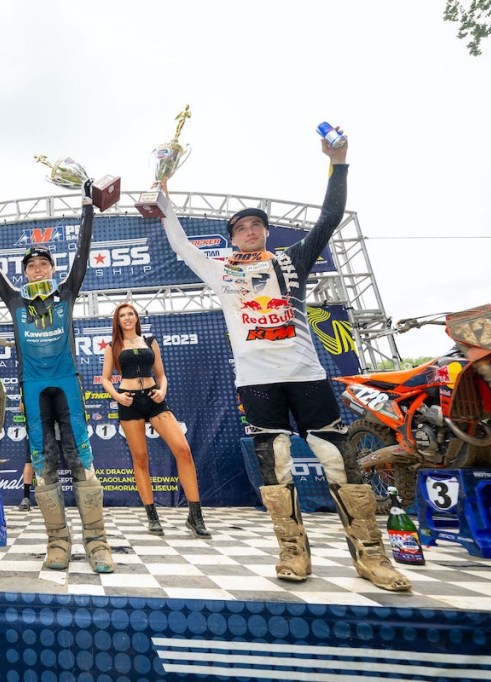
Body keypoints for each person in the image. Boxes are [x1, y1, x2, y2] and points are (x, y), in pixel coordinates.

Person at [157, 130, 410, 592]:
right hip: (256, 382)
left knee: (338, 460)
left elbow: (329, 219)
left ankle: (371, 556)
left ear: (266, 232)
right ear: (232, 238)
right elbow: (181, 246)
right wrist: (164, 196)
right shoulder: (221, 271)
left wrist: (339, 162)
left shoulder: (292, 260)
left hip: (306, 375)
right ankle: (292, 551)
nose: (250, 231)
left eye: (256, 225)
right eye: (241, 228)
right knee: (275, 464)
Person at [0, 185, 115, 573]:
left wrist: (88, 207)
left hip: (66, 384)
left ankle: (97, 542)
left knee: (80, 458)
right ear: (25, 272)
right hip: (33, 389)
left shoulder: (66, 294)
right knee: (43, 461)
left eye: (43, 264)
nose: (37, 269)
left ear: (52, 269)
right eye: (31, 265)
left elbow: (83, 252)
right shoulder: (14, 300)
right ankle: (58, 542)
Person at [100, 302, 210, 537]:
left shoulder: (150, 342)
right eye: (122, 315)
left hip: (154, 399)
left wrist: (162, 391)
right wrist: (117, 396)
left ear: (136, 318)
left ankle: (195, 516)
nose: (127, 318)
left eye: (131, 314)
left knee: (183, 450)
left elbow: (161, 375)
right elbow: (106, 379)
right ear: (118, 321)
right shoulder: (112, 347)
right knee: (140, 459)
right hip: (129, 401)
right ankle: (152, 517)